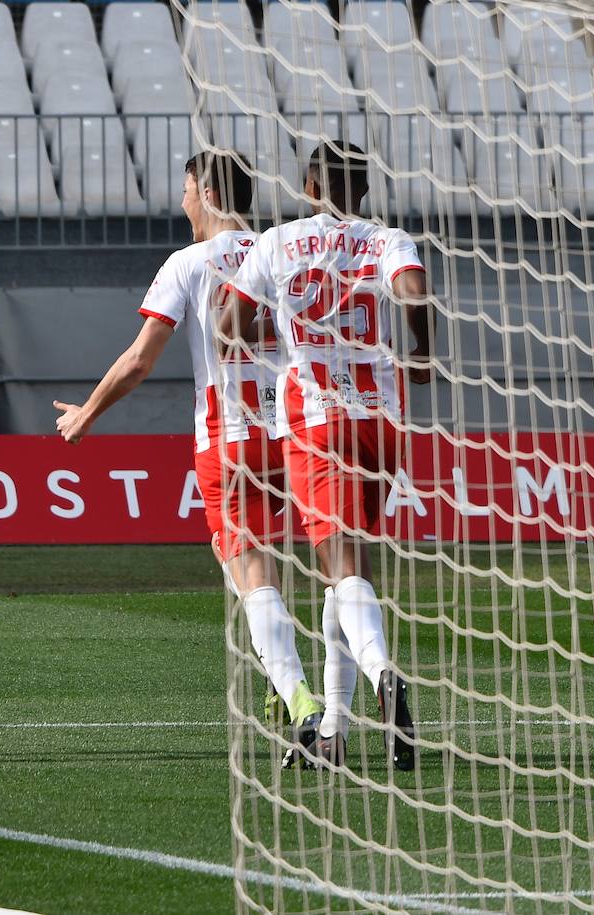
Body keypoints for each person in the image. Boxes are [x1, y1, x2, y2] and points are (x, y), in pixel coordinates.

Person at [54, 151, 326, 762]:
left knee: (249, 565)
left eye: (184, 190)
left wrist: (86, 415)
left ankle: (299, 694)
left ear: (204, 191)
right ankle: (315, 674)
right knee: (298, 558)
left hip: (228, 438)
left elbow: (139, 360)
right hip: (295, 431)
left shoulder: (189, 263)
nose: (182, 203)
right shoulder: (283, 251)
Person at [221, 139, 436, 771]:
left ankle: (381, 676)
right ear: (363, 191)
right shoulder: (385, 237)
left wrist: (287, 330)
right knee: (346, 570)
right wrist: (420, 354)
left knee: (342, 568)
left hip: (316, 420)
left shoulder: (278, 242)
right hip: (383, 420)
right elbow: (415, 292)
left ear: (308, 187)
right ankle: (334, 731)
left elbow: (232, 325)